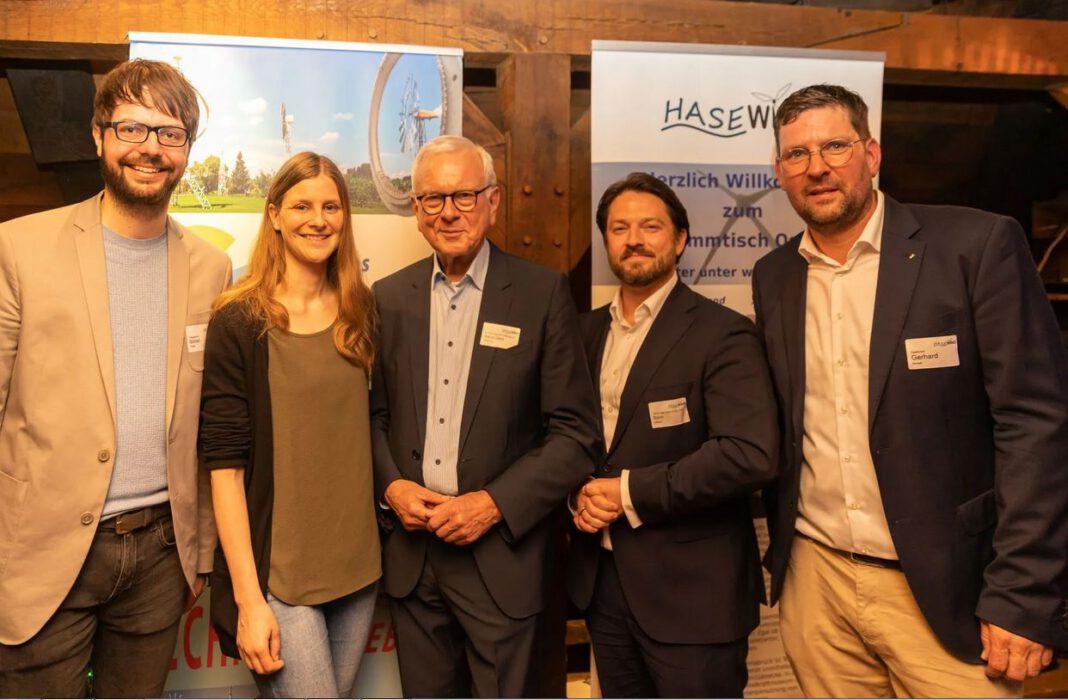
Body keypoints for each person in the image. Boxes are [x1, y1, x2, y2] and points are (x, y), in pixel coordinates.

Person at [752, 83, 1068, 697]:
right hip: (817, 584)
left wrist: (1022, 594)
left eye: (835, 146)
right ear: (779, 172)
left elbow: (1037, 427)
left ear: (872, 154)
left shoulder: (974, 246)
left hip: (948, 591)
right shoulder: (775, 276)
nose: (817, 168)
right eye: (797, 154)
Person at [0, 59, 231, 697]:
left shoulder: (213, 268)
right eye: (132, 128)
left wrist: (199, 552)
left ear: (186, 150)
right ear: (98, 136)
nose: (150, 149)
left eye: (170, 133)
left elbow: (209, 426)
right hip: (42, 553)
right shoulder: (20, 248)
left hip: (160, 554)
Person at [370, 134, 601, 698]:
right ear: (416, 210)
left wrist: (493, 504)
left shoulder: (540, 294)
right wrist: (392, 486)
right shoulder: (388, 298)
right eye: (433, 199)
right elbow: (371, 417)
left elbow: (575, 436)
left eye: (464, 196)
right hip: (414, 561)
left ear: (493, 202)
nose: (449, 212)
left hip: (502, 563)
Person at [566, 173, 778, 698]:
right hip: (605, 585)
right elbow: (567, 440)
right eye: (619, 228)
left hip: (695, 597)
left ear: (680, 239)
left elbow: (748, 455)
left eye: (650, 226)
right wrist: (578, 495)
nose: (634, 238)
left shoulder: (722, 333)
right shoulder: (581, 333)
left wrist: (627, 492)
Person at [199, 152, 381, 698]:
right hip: (279, 578)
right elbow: (224, 471)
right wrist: (250, 602)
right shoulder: (239, 321)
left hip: (359, 570)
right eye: (302, 206)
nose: (318, 219)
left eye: (331, 206)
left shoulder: (363, 312)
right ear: (274, 215)